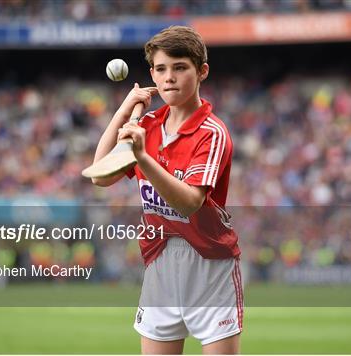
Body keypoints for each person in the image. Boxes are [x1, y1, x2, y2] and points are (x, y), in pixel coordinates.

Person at [90, 26, 243, 354]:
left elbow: (189, 203)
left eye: (179, 67)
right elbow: (100, 175)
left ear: (202, 71)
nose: (169, 77)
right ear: (152, 75)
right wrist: (124, 110)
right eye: (161, 69)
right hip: (159, 260)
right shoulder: (147, 125)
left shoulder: (212, 133)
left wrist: (142, 157)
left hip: (209, 263)